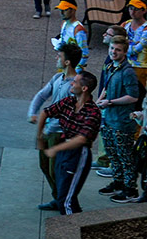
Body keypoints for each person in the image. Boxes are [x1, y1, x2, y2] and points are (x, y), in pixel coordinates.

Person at [36, 70, 102, 215]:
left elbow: (81, 139)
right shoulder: (69, 102)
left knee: (66, 199)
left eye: (75, 82)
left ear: (84, 88)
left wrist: (55, 149)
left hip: (78, 155)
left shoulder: (93, 112)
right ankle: (77, 224)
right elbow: (45, 112)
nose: (71, 83)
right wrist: (39, 137)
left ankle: (69, 231)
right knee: (63, 193)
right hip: (63, 150)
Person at [28, 42, 84, 204]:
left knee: (55, 170)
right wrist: (32, 112)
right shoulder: (57, 78)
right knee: (44, 166)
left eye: (59, 56)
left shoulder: (76, 85)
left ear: (67, 62)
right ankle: (58, 197)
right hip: (48, 130)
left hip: (60, 133)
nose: (56, 58)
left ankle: (65, 200)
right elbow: (41, 95)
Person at [95, 37, 141, 203]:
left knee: (125, 156)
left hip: (122, 122)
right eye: (112, 48)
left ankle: (130, 190)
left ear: (125, 52)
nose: (113, 52)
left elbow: (133, 97)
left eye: (118, 50)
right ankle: (118, 182)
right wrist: (100, 100)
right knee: (113, 155)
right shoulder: (110, 67)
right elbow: (106, 88)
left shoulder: (128, 72)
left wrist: (111, 102)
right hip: (108, 119)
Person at [51, 0, 89, 67]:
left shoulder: (78, 30)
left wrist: (77, 70)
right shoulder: (64, 23)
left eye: (65, 10)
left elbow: (84, 54)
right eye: (60, 10)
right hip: (64, 64)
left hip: (73, 67)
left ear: (73, 11)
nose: (61, 13)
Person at [121, 0, 147, 88]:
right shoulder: (126, 24)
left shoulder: (146, 28)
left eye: (136, 9)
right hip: (124, 63)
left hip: (139, 67)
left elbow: (136, 50)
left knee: (138, 92)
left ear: (144, 11)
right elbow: (117, 41)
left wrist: (123, 47)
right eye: (131, 8)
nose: (132, 12)